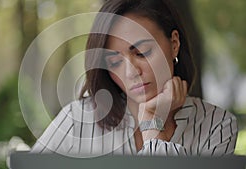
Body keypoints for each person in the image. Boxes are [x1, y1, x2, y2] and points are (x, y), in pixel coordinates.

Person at [31, 0, 237, 157]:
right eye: (114, 61)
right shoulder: (77, 120)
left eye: (142, 52)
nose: (131, 72)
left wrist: (153, 125)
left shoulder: (216, 125)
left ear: (174, 43)